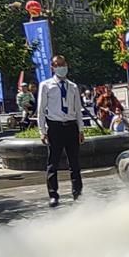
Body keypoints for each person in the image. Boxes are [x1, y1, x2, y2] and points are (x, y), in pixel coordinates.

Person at [38, 54, 83, 207]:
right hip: (55, 127)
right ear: (52, 67)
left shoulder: (73, 86)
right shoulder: (46, 85)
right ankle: (53, 194)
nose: (61, 67)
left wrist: (81, 129)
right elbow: (41, 109)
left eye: (63, 64)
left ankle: (77, 192)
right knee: (53, 163)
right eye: (57, 65)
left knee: (74, 162)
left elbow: (78, 109)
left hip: (71, 126)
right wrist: (42, 131)